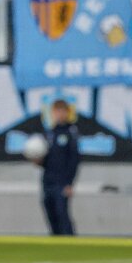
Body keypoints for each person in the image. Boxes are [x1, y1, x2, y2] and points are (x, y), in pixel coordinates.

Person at [38, 99, 80, 236]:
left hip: (62, 182)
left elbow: (74, 160)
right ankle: (55, 240)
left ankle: (70, 242)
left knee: (62, 213)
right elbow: (45, 160)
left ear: (67, 113)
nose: (59, 114)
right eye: (56, 111)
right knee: (50, 213)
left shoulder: (70, 132)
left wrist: (69, 183)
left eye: (62, 111)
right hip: (48, 181)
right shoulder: (49, 133)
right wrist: (37, 161)